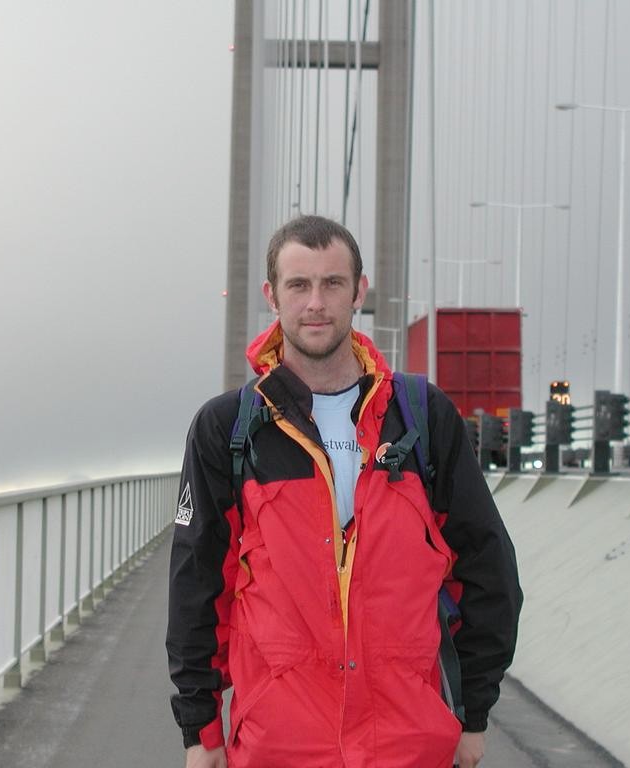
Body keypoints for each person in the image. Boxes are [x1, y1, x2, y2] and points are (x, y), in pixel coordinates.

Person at [167, 215, 522, 768]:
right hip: (278, 745)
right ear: (272, 295)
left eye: (332, 283)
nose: (316, 302)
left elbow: (488, 568)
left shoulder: (421, 417)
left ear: (359, 290)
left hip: (409, 744)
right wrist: (200, 729)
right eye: (298, 285)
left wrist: (473, 714)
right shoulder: (228, 429)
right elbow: (199, 584)